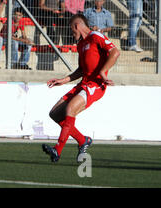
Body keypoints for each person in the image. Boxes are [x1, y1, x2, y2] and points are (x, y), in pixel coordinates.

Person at [42, 14, 120, 163]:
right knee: (55, 114)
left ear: (77, 26)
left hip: (96, 85)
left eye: (72, 30)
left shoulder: (95, 36)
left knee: (69, 110)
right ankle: (82, 140)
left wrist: (103, 72)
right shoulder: (81, 45)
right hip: (83, 83)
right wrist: (63, 80)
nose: (72, 34)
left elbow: (115, 52)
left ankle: (57, 150)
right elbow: (81, 70)